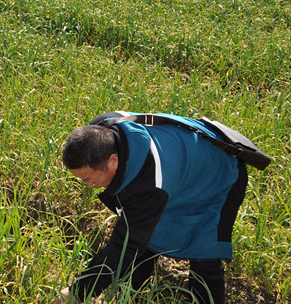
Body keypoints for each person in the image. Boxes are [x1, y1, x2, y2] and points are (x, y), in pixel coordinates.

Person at [58, 112, 248, 304]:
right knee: (148, 235)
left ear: (113, 160)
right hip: (182, 168)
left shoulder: (149, 186)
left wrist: (77, 292)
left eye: (90, 179)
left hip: (221, 175)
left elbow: (125, 245)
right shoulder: (102, 129)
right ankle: (131, 296)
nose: (89, 186)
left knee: (204, 253)